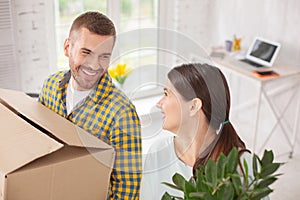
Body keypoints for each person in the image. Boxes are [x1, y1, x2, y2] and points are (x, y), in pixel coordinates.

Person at [38, 11, 142, 199]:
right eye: (86, 52)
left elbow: (127, 189)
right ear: (68, 47)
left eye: (104, 56)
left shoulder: (122, 112)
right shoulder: (50, 87)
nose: (94, 65)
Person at [140, 63, 247, 199]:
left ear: (193, 106)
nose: (159, 103)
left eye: (167, 94)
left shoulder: (243, 165)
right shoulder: (157, 153)